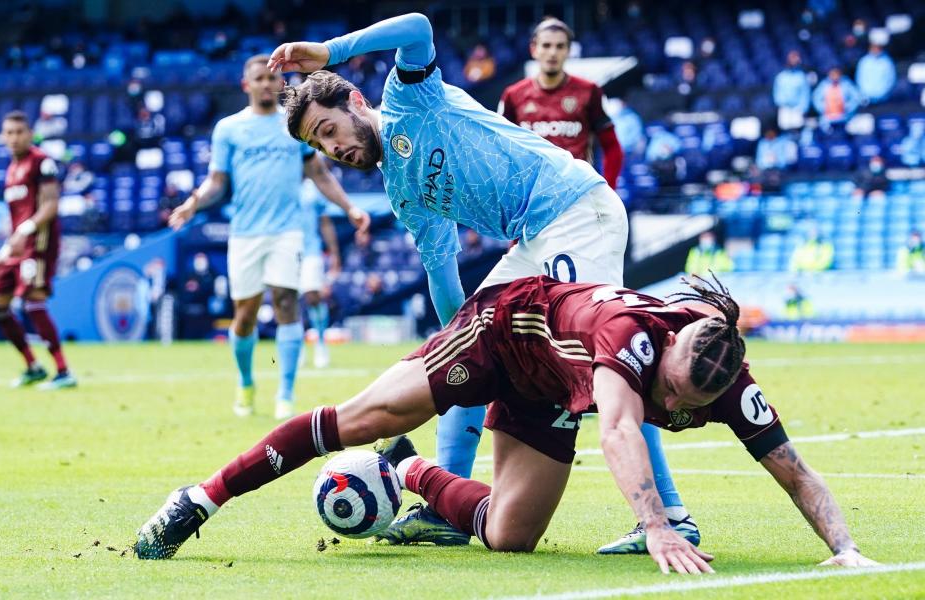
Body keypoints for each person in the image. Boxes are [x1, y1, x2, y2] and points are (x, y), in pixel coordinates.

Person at [265, 13, 688, 551]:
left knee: (609, 362)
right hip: (537, 238)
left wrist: (330, 49)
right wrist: (461, 350)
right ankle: (446, 507)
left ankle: (671, 516)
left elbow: (417, 27)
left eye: (329, 131)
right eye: (321, 148)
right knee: (462, 353)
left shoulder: (408, 100)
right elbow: (442, 269)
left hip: (576, 212)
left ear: (353, 100)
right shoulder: (401, 190)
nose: (334, 150)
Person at [134, 274, 879, 574]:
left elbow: (793, 469)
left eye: (687, 409)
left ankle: (407, 471)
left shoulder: (725, 378)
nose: (675, 410)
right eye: (671, 393)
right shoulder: (631, 340)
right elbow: (619, 432)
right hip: (503, 329)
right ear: (673, 349)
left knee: (509, 536)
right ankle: (199, 498)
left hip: (553, 384)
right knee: (361, 417)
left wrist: (844, 549)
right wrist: (654, 523)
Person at [167, 55, 370, 420]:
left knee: (286, 303)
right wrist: (192, 205)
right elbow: (217, 182)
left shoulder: (294, 128)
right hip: (245, 233)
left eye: (271, 78)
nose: (266, 84)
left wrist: (349, 208)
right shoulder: (229, 129)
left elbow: (319, 174)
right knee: (243, 316)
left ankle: (285, 394)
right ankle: (246, 383)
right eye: (258, 78)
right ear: (247, 85)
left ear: (281, 84)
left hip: (287, 231)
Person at [0, 111, 76, 389]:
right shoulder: (11, 170)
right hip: (17, 246)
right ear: (3, 136)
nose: (14, 138)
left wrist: (25, 231)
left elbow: (50, 205)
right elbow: (15, 218)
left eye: (19, 132)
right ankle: (33, 366)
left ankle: (63, 372)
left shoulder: (41, 162)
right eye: (9, 133)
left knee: (33, 302)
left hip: (39, 243)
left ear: (29, 133)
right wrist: (2, 254)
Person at [498, 17, 624, 187]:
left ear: (569, 50)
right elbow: (499, 150)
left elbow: (612, 146)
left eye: (560, 46)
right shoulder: (512, 95)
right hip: (529, 196)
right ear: (534, 49)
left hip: (577, 195)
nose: (552, 52)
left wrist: (609, 190)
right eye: (546, 45)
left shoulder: (589, 91)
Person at [298, 177, 349, 368]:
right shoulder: (281, 183)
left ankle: (320, 342)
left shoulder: (313, 188)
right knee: (290, 301)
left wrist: (334, 253)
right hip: (286, 250)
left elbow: (325, 222)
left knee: (313, 297)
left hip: (311, 250)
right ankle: (298, 345)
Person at [772, 51, 811, 128]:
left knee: (797, 129)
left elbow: (805, 94)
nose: (794, 61)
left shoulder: (801, 76)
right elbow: (776, 93)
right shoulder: (781, 77)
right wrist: (781, 104)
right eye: (792, 58)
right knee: (786, 129)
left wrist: (803, 108)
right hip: (784, 108)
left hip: (798, 108)